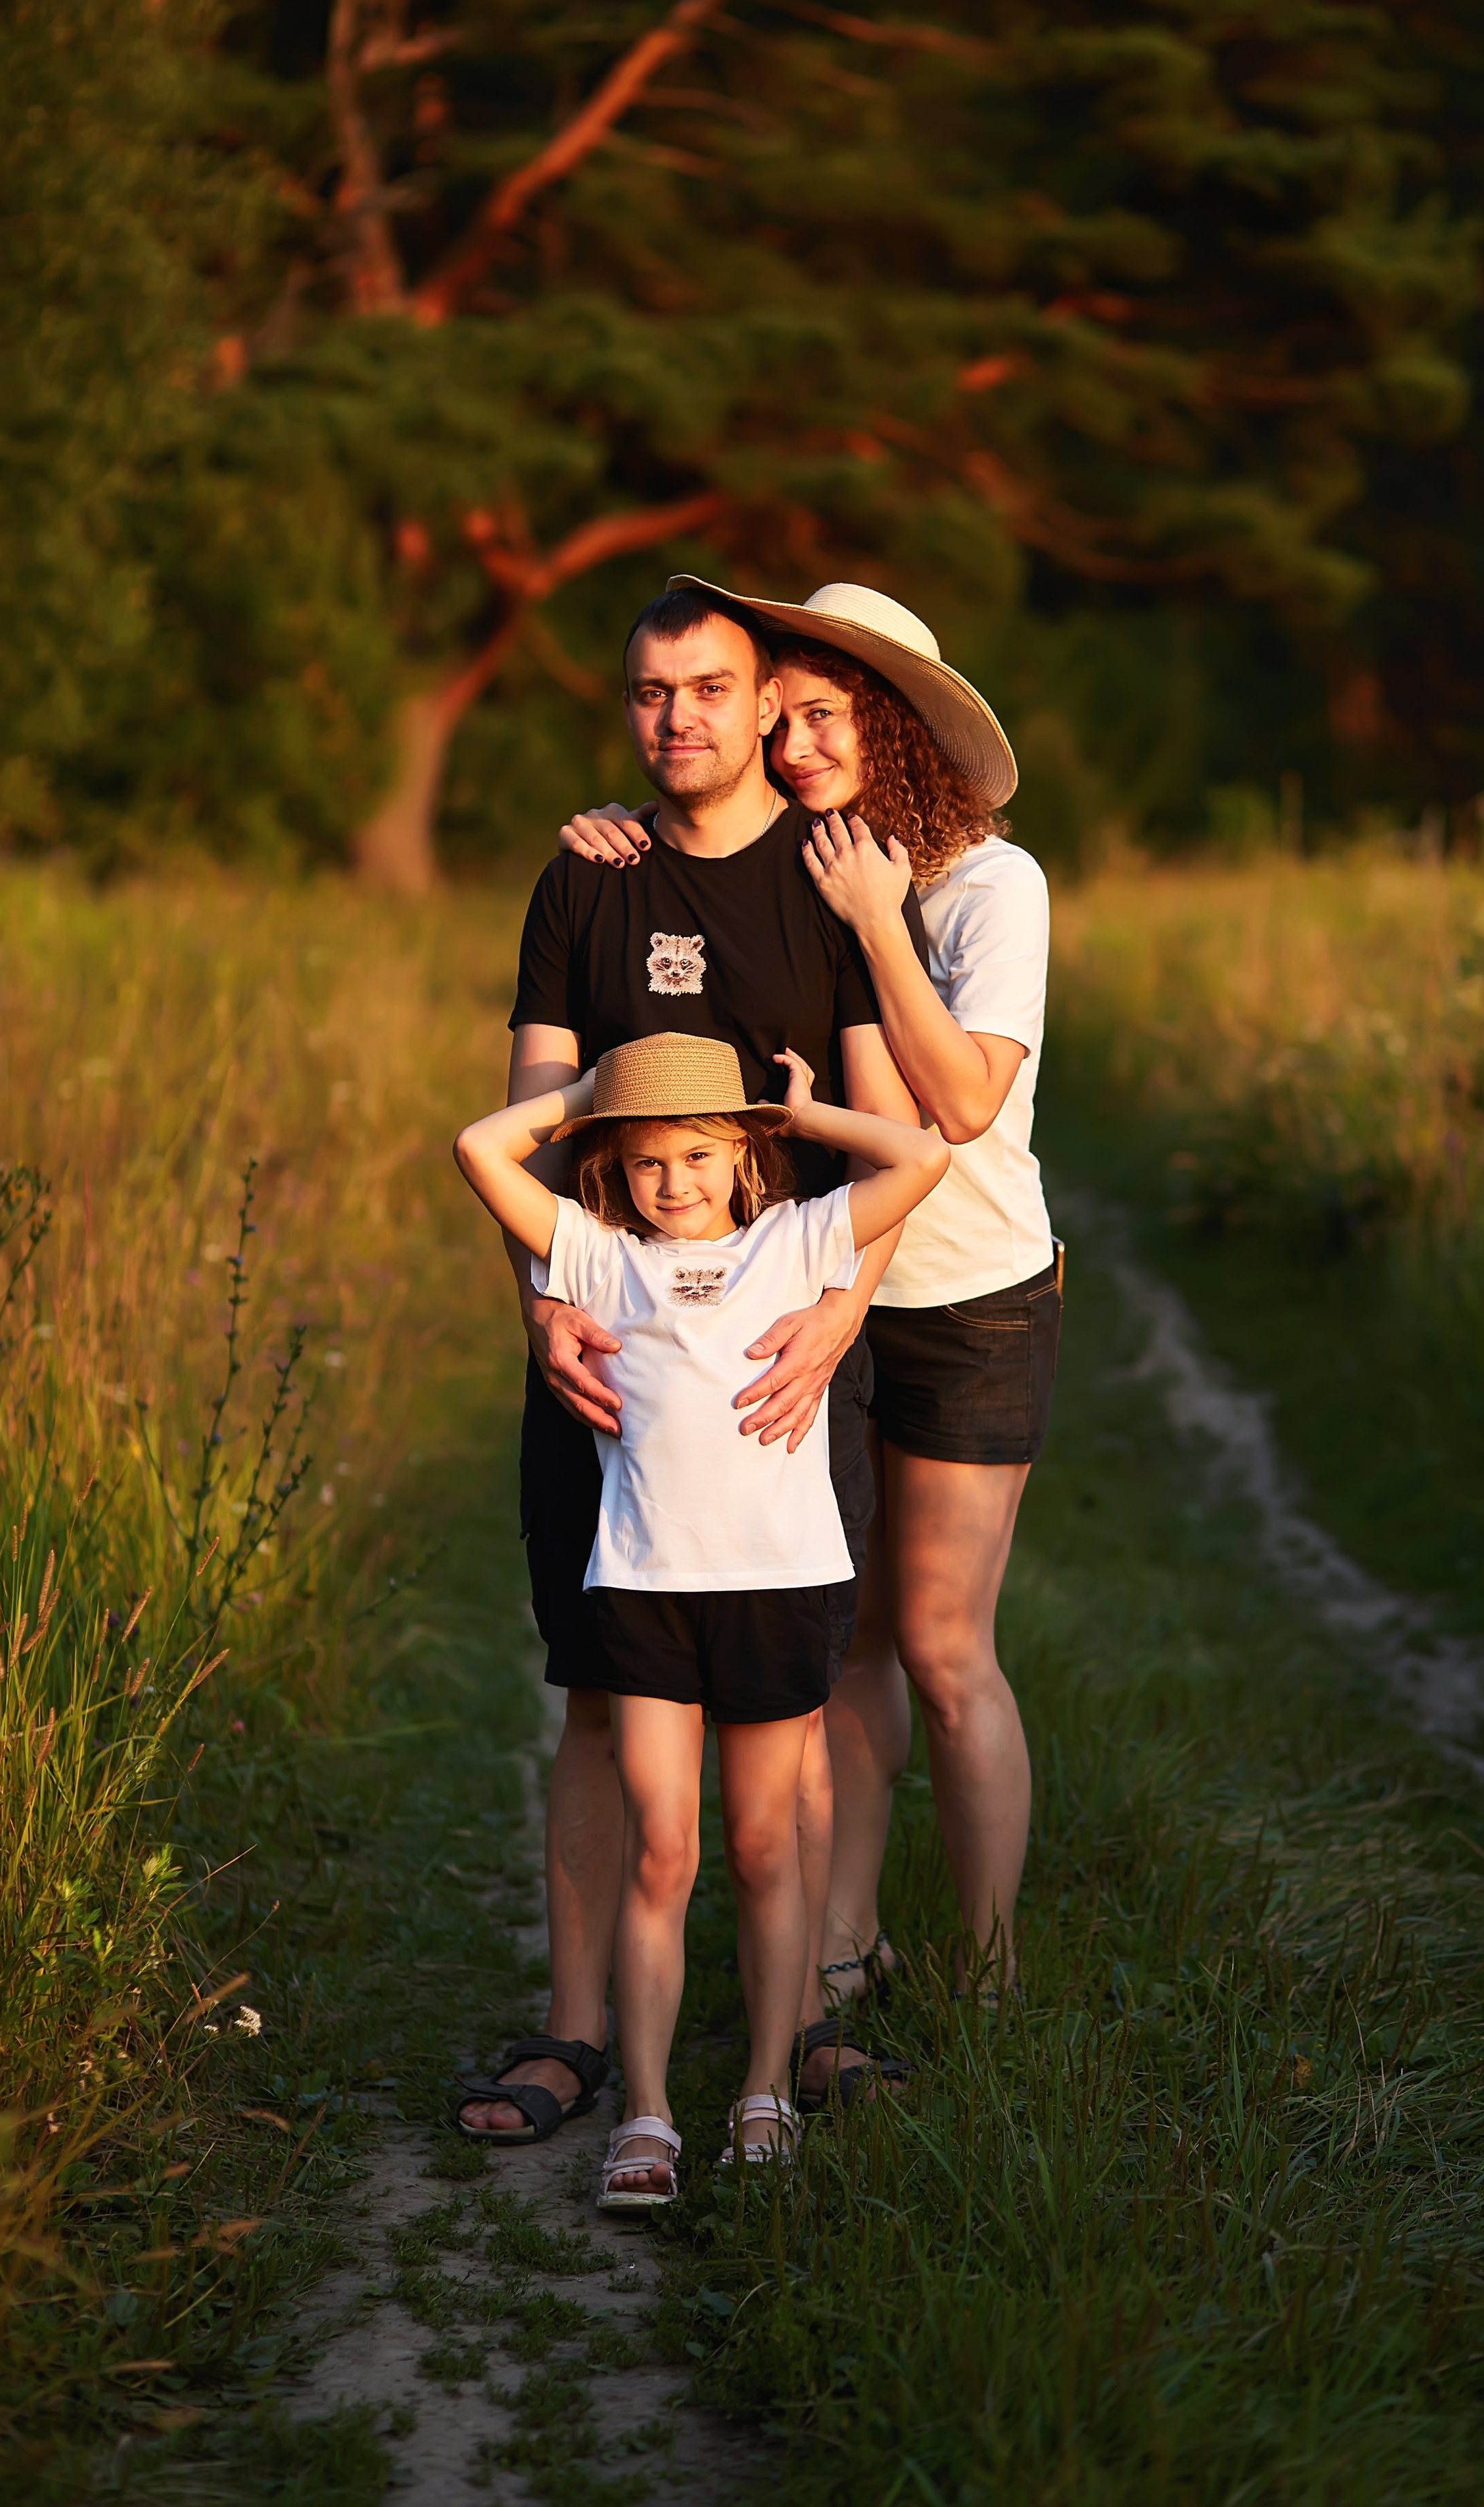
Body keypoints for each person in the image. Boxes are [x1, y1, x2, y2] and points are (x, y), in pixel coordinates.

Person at [453, 588, 928, 2146]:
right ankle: (576, 2035)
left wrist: (841, 1318)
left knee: (782, 1717)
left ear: (761, 702)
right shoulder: (583, 881)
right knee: (599, 1696)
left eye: (711, 691)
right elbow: (532, 1106)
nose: (680, 721)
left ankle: (790, 2042)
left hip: (793, 1344)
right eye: (653, 694)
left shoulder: (825, 882)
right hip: (607, 1353)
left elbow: (876, 1127)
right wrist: (542, 1303)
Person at [560, 579, 1058, 2043]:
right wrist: (616, 829)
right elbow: (688, 892)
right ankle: (845, 1952)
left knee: (943, 1644)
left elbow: (961, 1103)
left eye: (822, 719)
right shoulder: (808, 864)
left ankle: (988, 1967)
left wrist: (876, 919)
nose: (791, 750)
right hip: (808, 1294)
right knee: (841, 1637)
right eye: (782, 723)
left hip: (965, 1300)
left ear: (894, 726)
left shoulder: (986, 887)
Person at [451, 1032, 947, 2203]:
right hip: (645, 1595)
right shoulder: (595, 1255)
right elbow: (478, 1147)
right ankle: (651, 2113)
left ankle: (766, 2090)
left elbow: (922, 1156)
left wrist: (802, 1116)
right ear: (613, 1177)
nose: (673, 1182)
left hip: (779, 1587)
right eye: (645, 1164)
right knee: (664, 1853)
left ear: (743, 1161)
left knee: (768, 1849)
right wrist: (579, 1101)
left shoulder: (795, 1241)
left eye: (698, 1154)